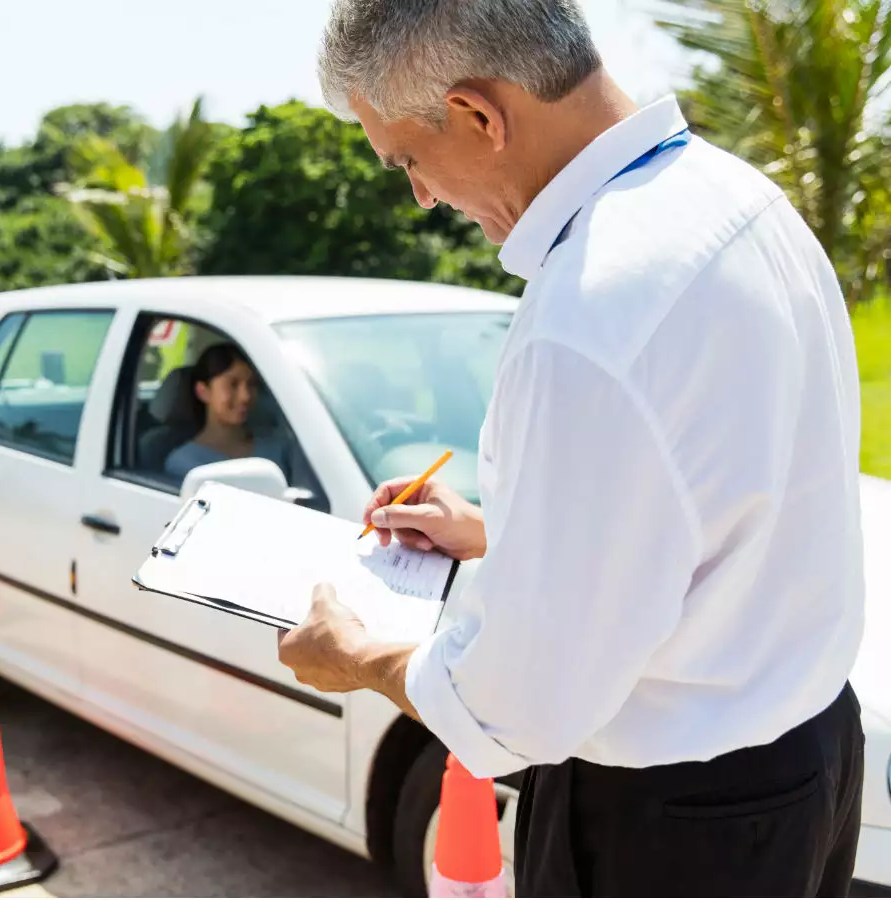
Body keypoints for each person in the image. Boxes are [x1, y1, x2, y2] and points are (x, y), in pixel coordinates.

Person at [276, 1, 866, 896]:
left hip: (673, 829)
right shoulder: (741, 199)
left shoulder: (588, 313)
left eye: (406, 159)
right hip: (812, 755)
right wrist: (502, 535)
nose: (421, 196)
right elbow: (723, 499)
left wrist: (356, 654)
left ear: (478, 114)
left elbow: (518, 707)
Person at [164, 342, 289, 483]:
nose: (246, 396)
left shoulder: (277, 447)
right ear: (203, 391)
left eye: (252, 384)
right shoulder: (185, 463)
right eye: (233, 384)